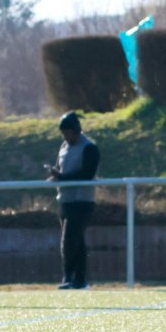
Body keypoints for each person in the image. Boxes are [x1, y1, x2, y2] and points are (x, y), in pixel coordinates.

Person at [47, 111, 99, 290]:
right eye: (63, 134)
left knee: (69, 239)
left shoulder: (89, 148)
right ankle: (78, 279)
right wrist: (55, 176)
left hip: (82, 201)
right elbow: (61, 169)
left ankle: (71, 277)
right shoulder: (64, 147)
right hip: (65, 200)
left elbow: (86, 174)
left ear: (76, 130)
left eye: (68, 133)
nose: (66, 137)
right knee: (76, 240)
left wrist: (61, 177)